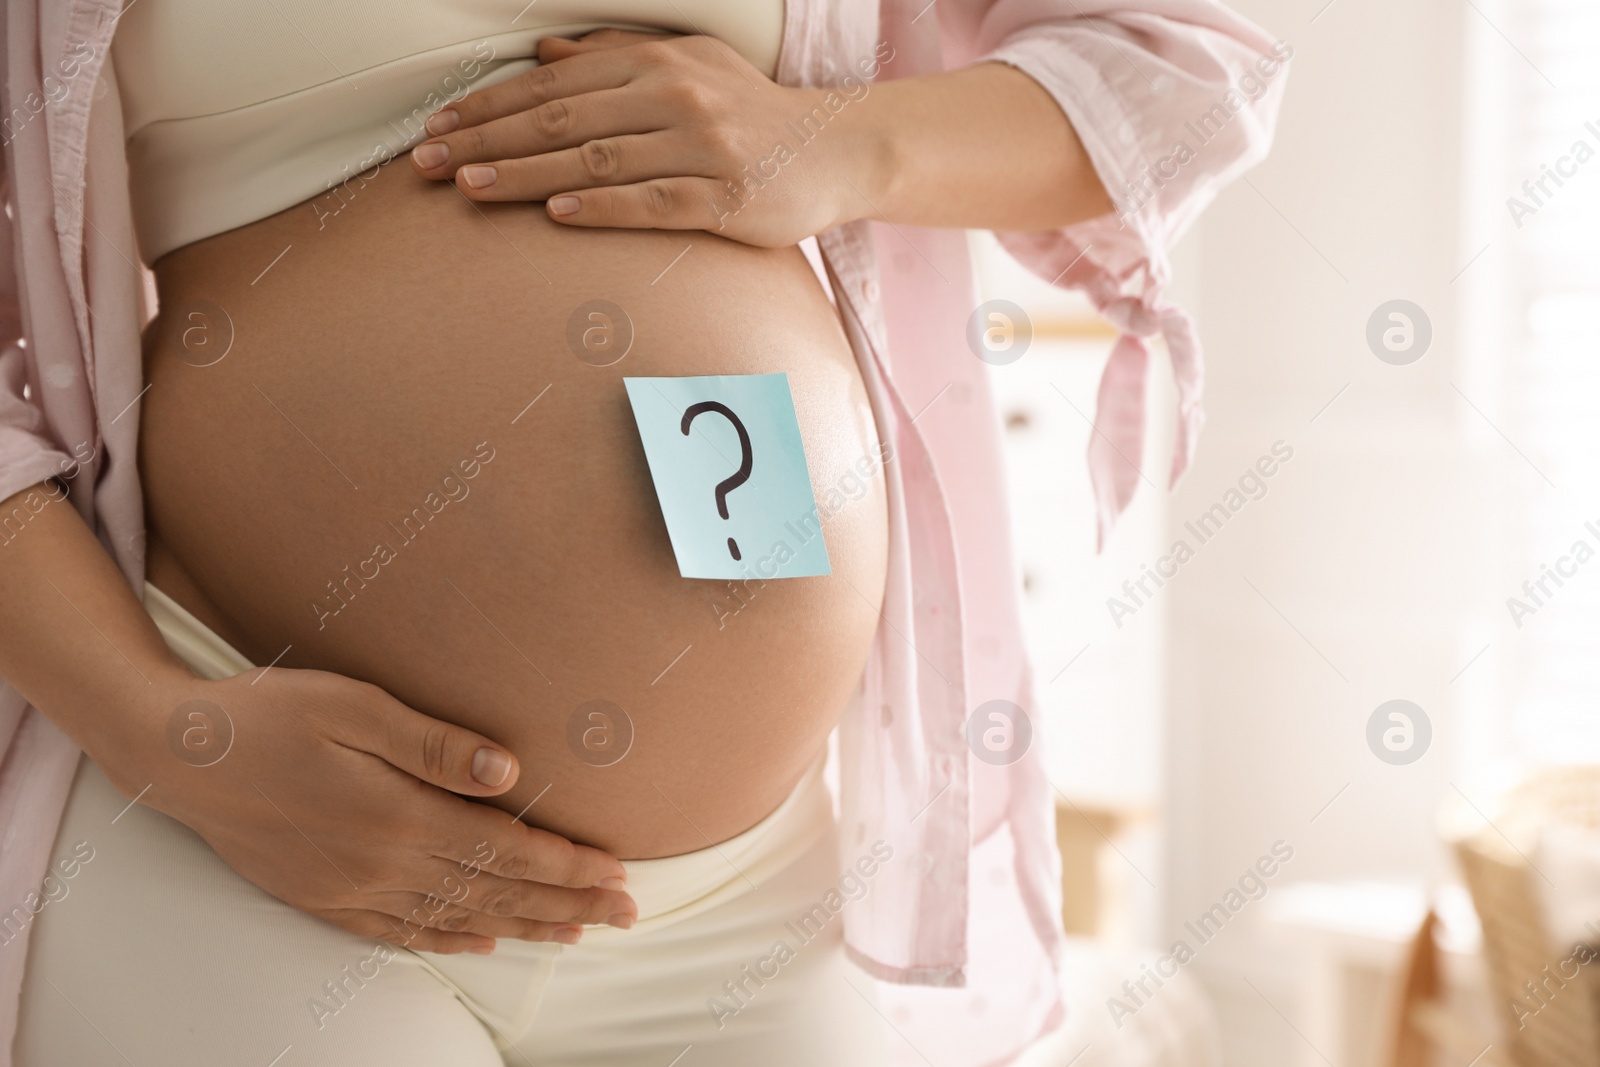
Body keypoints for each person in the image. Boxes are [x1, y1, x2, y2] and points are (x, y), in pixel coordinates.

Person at [0, 1, 1286, 1064]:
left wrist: (843, 141)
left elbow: (1188, 71)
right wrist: (172, 732)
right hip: (256, 841)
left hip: (759, 894)